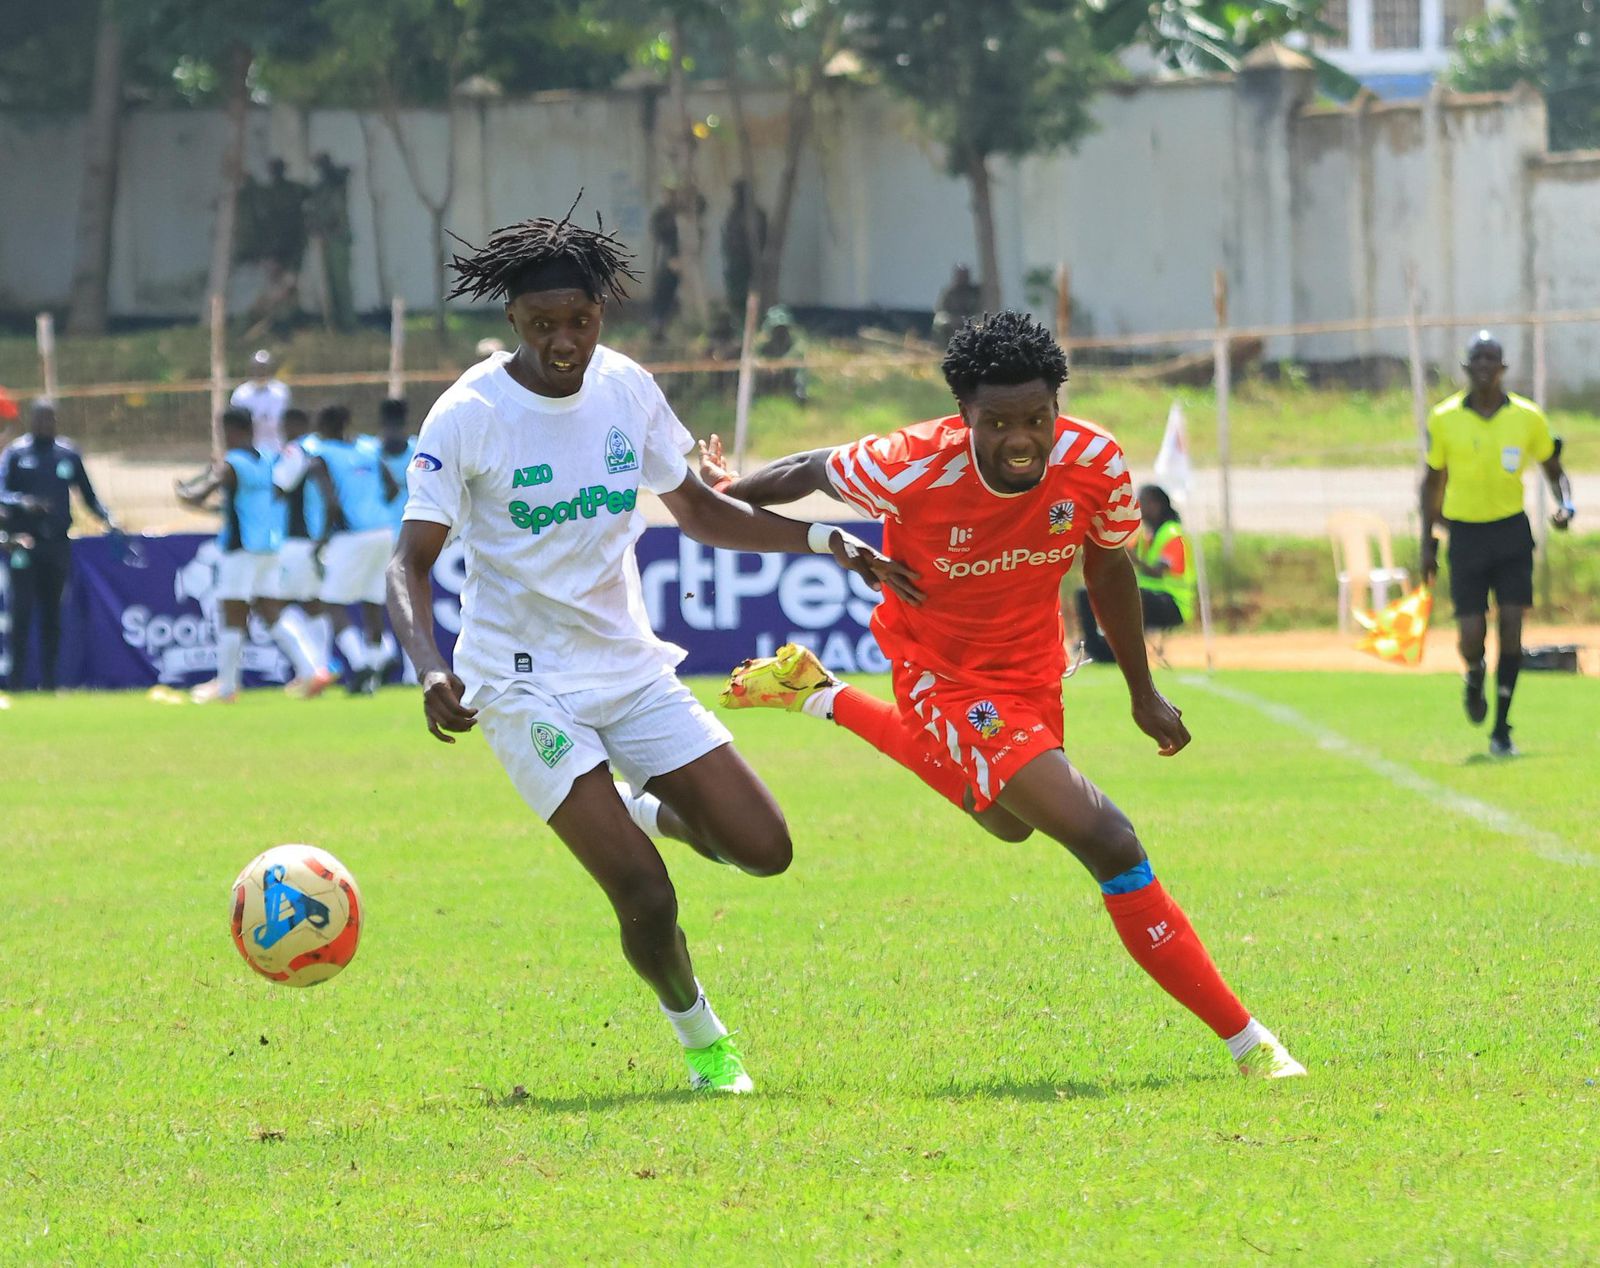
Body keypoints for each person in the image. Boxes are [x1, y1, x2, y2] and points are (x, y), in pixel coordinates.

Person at [385, 206, 911, 1094]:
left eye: (579, 321)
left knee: (764, 847)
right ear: (512, 321)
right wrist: (432, 666)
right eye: (543, 324)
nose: (563, 341)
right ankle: (705, 1044)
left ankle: (640, 805)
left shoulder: (627, 387)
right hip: (518, 684)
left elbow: (704, 511)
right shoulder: (467, 415)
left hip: (628, 670)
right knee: (646, 894)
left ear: (601, 314)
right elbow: (409, 564)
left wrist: (826, 540)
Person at [705, 310, 1306, 1079]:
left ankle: (819, 693)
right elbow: (813, 469)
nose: (1021, 439)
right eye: (997, 422)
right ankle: (1251, 1045)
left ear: (1058, 406)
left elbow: (1109, 567)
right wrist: (730, 486)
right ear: (963, 418)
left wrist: (1142, 691)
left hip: (1032, 671)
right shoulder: (906, 463)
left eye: (1037, 418)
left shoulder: (1094, 460)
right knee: (1108, 838)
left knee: (1008, 824)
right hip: (942, 676)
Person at [1421, 331, 1575, 758]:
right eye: (1478, 359)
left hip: (1510, 533)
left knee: (1512, 625)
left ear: (1503, 369)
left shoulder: (1527, 417)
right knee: (1471, 633)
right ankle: (1474, 672)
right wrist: (1427, 544)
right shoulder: (1444, 417)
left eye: (1493, 359)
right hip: (1465, 534)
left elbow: (1554, 468)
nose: (1485, 366)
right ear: (1467, 369)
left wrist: (1566, 504)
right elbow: (1432, 483)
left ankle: (1502, 726)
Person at [175, 409, 320, 704]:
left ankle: (227, 687)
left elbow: (200, 494)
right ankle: (310, 670)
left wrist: (183, 494)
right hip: (270, 547)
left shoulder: (232, 463)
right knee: (270, 612)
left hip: (241, 550)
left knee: (232, 615)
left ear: (228, 430)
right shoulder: (269, 458)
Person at [0, 399, 119, 692]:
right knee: (22, 613)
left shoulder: (67, 453)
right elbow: (1, 492)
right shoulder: (16, 453)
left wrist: (106, 518)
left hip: (57, 545)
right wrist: (24, 503)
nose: (46, 425)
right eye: (41, 420)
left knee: (53, 614)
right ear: (31, 421)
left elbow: (87, 494)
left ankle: (51, 683)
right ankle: (16, 683)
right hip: (24, 544)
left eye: (51, 420)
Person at [307, 404, 395, 694]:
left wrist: (321, 539)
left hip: (351, 534)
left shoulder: (322, 456)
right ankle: (372, 673)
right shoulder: (370, 448)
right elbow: (393, 487)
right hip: (383, 530)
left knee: (333, 601)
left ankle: (359, 663)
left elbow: (331, 503)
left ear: (324, 427)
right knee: (372, 602)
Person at [1074, 483, 1193, 664]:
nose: (1138, 506)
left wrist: (1132, 558)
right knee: (1087, 593)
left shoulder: (1172, 534)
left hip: (1172, 603)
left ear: (1155, 505)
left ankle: (1116, 649)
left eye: (1142, 501)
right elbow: (1121, 559)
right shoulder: (1145, 533)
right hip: (1143, 594)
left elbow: (1157, 572)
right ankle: (1096, 647)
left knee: (1129, 597)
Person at [264, 406, 336, 697]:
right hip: (321, 538)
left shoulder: (296, 451)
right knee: (314, 605)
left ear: (292, 426)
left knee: (271, 605)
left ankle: (311, 670)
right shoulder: (326, 450)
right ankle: (321, 668)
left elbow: (278, 488)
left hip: (295, 539)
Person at [306, 152, 355, 331]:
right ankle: (336, 324)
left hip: (338, 239)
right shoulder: (321, 188)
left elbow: (342, 175)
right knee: (330, 284)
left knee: (341, 284)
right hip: (326, 239)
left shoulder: (337, 181)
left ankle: (348, 325)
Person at [720, 179, 767, 317]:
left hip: (750, 261)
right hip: (734, 261)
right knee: (735, 293)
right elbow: (727, 236)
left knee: (750, 293)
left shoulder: (757, 215)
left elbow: (762, 238)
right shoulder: (733, 214)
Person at [231, 350, 291, 454]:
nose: (260, 372)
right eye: (257, 368)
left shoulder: (281, 392)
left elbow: (286, 421)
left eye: (264, 368)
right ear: (251, 370)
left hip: (276, 448)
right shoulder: (240, 394)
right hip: (249, 450)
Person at [932, 264, 981, 345]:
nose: (962, 278)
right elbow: (940, 308)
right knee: (940, 321)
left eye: (964, 275)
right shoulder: (949, 291)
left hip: (969, 318)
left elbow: (979, 309)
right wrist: (952, 318)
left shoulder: (975, 292)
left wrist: (965, 318)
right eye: (960, 275)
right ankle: (941, 345)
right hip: (952, 318)